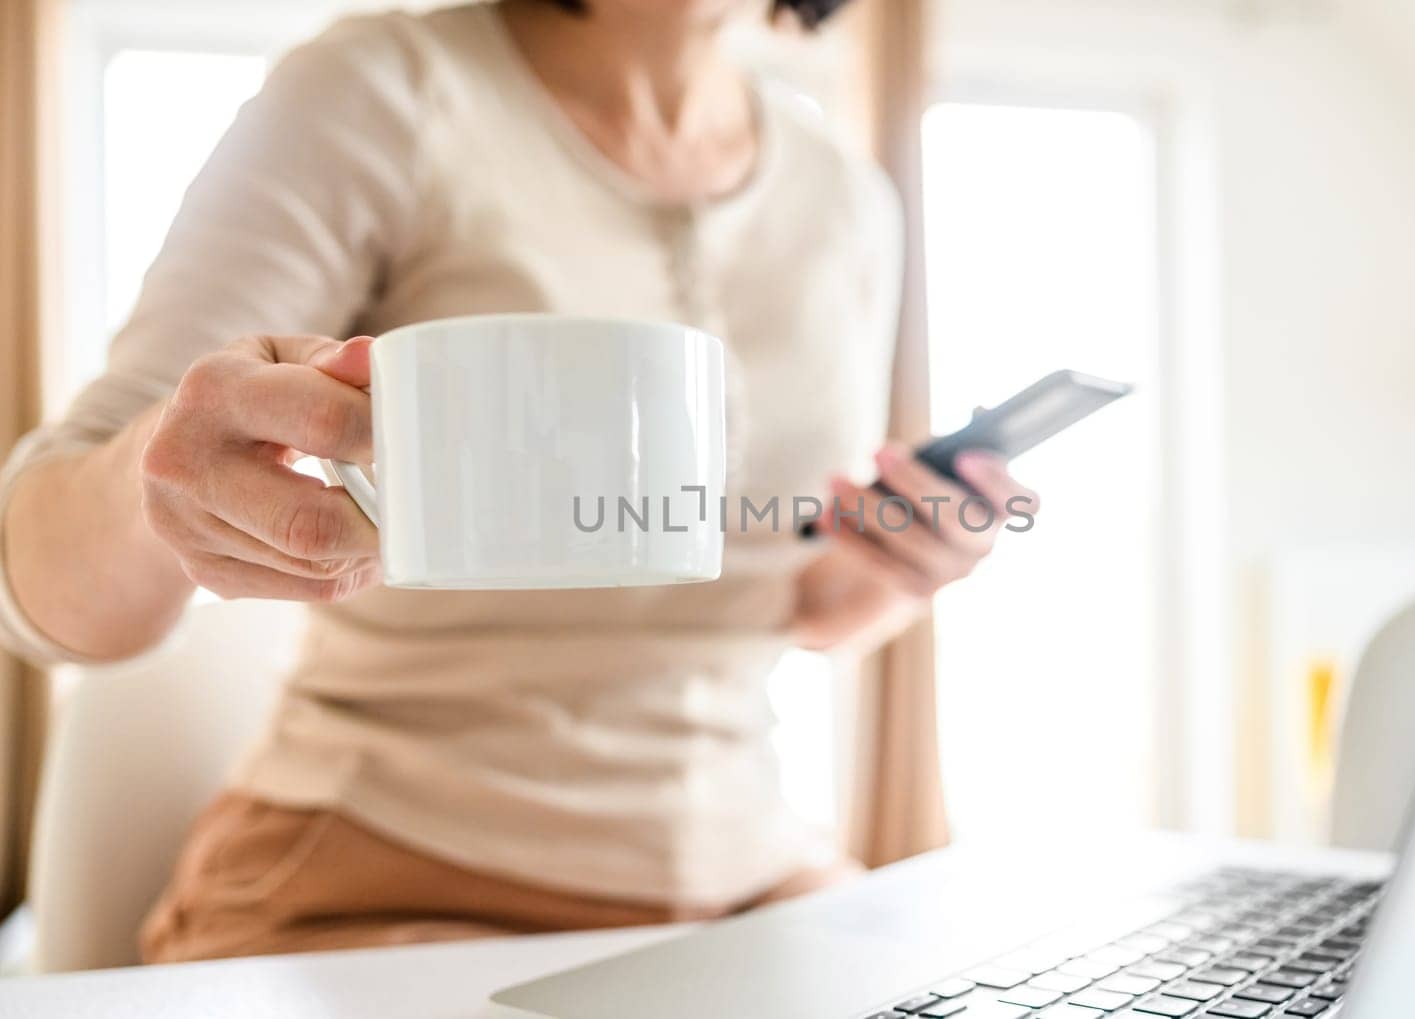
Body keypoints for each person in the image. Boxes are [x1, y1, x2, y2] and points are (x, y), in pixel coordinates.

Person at [0, 0, 1037, 961]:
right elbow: (31, 574)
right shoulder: (382, 94)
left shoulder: (844, 195)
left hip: (755, 882)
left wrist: (895, 572)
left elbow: (786, 597)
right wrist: (163, 481)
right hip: (380, 884)